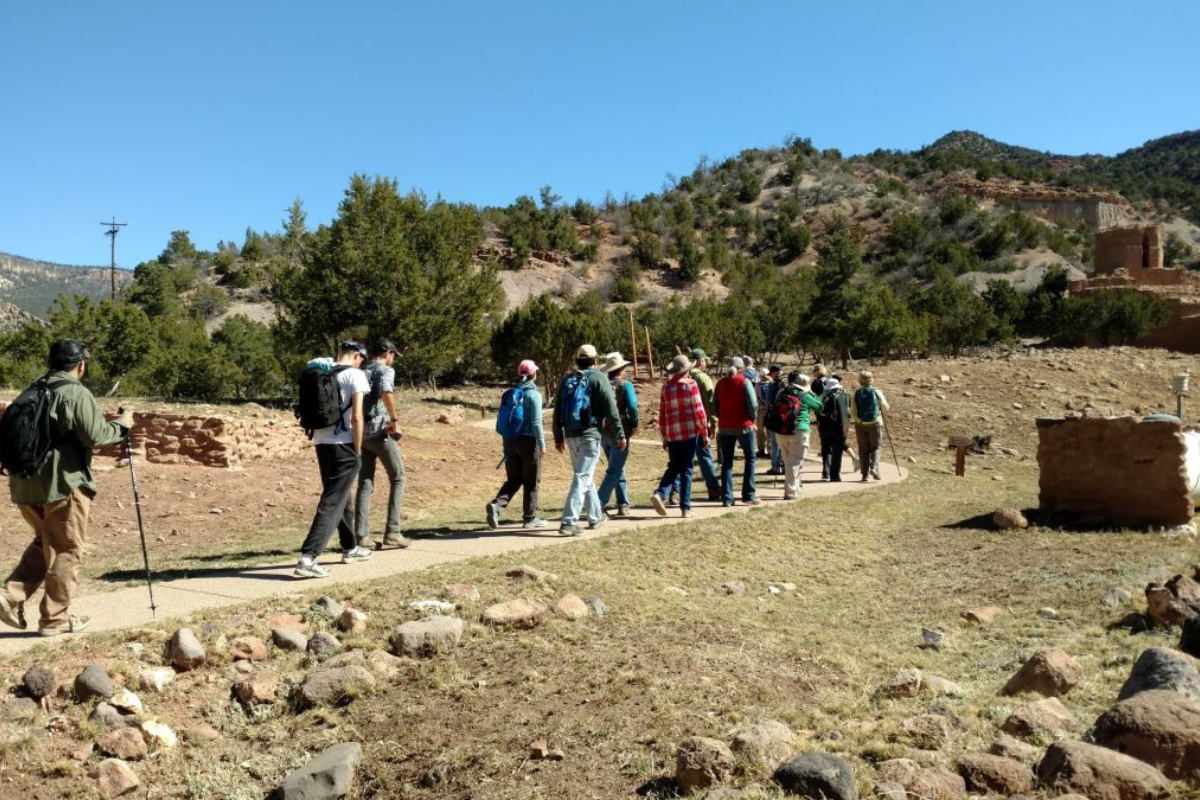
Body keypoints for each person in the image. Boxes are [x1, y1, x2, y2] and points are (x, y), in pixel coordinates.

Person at [0, 340, 132, 636]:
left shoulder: (32, 390)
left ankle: (9, 595)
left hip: (24, 484)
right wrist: (122, 425)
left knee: (44, 541)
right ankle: (55, 619)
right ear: (81, 365)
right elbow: (96, 436)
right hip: (61, 484)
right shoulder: (75, 393)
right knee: (66, 549)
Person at [295, 341, 371, 578]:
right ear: (357, 356)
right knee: (331, 501)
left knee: (341, 496)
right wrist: (358, 449)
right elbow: (357, 416)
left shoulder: (325, 372)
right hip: (344, 445)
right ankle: (308, 557)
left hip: (321, 442)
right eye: (362, 359)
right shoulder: (355, 375)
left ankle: (350, 547)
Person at [552, 344, 625, 537]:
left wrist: (558, 435)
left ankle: (595, 516)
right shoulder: (599, 378)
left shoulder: (567, 379)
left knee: (585, 475)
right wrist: (620, 434)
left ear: (577, 360)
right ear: (595, 361)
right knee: (582, 477)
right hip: (590, 435)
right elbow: (611, 409)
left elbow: (557, 409)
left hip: (570, 435)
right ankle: (568, 521)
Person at [355, 340, 408, 551]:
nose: (393, 360)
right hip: (380, 432)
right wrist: (394, 419)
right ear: (387, 353)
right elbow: (387, 392)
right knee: (398, 478)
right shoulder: (385, 370)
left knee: (365, 484)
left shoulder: (361, 370)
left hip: (361, 435)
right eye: (393, 355)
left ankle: (361, 535)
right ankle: (393, 532)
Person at [487, 359, 547, 529]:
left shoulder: (512, 392)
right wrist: (542, 444)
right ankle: (530, 518)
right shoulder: (533, 394)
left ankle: (496, 506)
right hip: (527, 440)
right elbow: (536, 422)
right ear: (534, 374)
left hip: (509, 440)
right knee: (532, 480)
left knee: (514, 479)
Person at [650, 355, 708, 518]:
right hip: (689, 432)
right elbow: (698, 410)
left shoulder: (666, 388)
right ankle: (685, 507)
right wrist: (704, 432)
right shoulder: (691, 385)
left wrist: (664, 437)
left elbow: (662, 414)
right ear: (686, 370)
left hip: (673, 434)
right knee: (687, 469)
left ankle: (660, 493)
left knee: (674, 466)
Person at [668, 348, 720, 504]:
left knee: (679, 460)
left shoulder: (677, 379)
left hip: (680, 425)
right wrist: (713, 424)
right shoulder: (703, 379)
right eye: (704, 360)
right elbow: (710, 404)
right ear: (701, 361)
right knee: (705, 457)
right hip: (699, 424)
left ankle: (675, 493)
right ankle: (713, 489)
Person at [770, 372, 824, 499]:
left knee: (787, 460)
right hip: (800, 430)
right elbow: (820, 407)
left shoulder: (782, 392)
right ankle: (790, 492)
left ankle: (796, 487)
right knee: (795, 462)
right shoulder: (805, 395)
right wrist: (811, 392)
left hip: (781, 430)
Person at [713, 357, 759, 506]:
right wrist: (752, 420)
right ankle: (748, 495)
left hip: (725, 427)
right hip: (744, 426)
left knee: (726, 462)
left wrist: (723, 418)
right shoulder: (744, 382)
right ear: (742, 368)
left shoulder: (720, 383)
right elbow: (753, 405)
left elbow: (714, 406)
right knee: (750, 458)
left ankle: (727, 497)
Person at [597, 352, 638, 517]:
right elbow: (633, 407)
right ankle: (598, 504)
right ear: (621, 369)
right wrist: (634, 424)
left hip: (603, 432)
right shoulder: (625, 385)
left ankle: (623, 503)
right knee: (615, 469)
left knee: (616, 467)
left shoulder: (602, 384)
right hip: (620, 431)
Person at [852, 371, 890, 481]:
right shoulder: (876, 391)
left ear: (860, 381)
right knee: (876, 447)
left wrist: (858, 419)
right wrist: (878, 411)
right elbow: (885, 407)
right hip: (875, 423)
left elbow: (853, 409)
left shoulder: (857, 392)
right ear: (871, 380)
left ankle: (865, 475)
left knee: (863, 449)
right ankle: (874, 468)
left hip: (860, 424)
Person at [817, 374, 852, 482]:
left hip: (823, 428)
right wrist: (845, 430)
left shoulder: (821, 397)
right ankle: (834, 475)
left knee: (826, 450)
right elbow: (846, 416)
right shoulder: (843, 396)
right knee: (837, 452)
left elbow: (817, 413)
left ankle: (825, 473)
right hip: (838, 428)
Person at [759, 364, 784, 471]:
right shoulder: (786, 383)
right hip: (786, 416)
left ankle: (775, 466)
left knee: (774, 442)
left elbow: (768, 402)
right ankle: (783, 465)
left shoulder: (773, 384)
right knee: (783, 442)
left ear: (773, 373)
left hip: (774, 415)